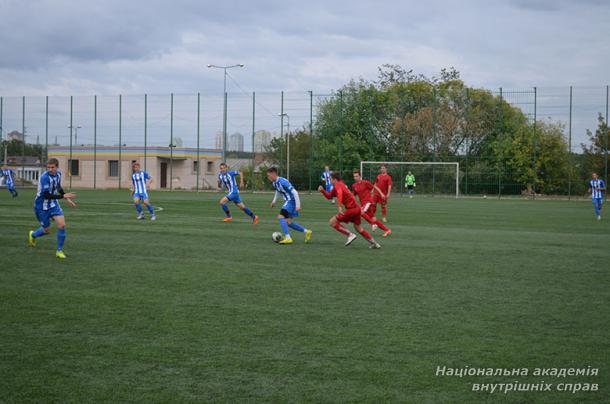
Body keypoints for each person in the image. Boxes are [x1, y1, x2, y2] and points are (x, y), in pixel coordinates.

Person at [28, 158, 76, 259]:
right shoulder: (44, 177)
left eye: (52, 167)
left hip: (53, 204)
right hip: (41, 206)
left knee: (62, 225)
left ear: (57, 167)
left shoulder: (58, 174)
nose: (50, 169)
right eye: (48, 167)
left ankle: (59, 251)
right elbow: (46, 195)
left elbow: (58, 187)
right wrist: (63, 196)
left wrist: (66, 197)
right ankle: (33, 235)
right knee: (47, 230)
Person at [319, 172, 380, 249]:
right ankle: (374, 243)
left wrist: (339, 206)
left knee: (332, 222)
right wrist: (322, 191)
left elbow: (340, 193)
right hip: (356, 209)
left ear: (334, 179)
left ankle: (350, 235)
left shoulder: (338, 185)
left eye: (330, 179)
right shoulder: (340, 184)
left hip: (351, 210)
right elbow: (329, 196)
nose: (330, 181)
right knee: (358, 227)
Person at [267, 167, 312, 244]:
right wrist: (274, 201)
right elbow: (277, 191)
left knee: (280, 216)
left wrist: (298, 205)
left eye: (268, 175)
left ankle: (288, 238)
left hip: (291, 201)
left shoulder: (283, 181)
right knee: (288, 222)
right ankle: (307, 231)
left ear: (273, 174)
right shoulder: (274, 183)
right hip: (289, 201)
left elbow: (295, 192)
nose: (268, 177)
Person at [352, 170, 392, 237]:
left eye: (356, 176)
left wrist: (381, 194)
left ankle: (373, 224)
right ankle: (387, 230)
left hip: (369, 202)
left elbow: (374, 187)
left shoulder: (365, 182)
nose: (355, 177)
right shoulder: (354, 186)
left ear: (360, 176)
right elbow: (353, 195)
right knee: (373, 219)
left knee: (361, 212)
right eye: (354, 176)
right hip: (363, 204)